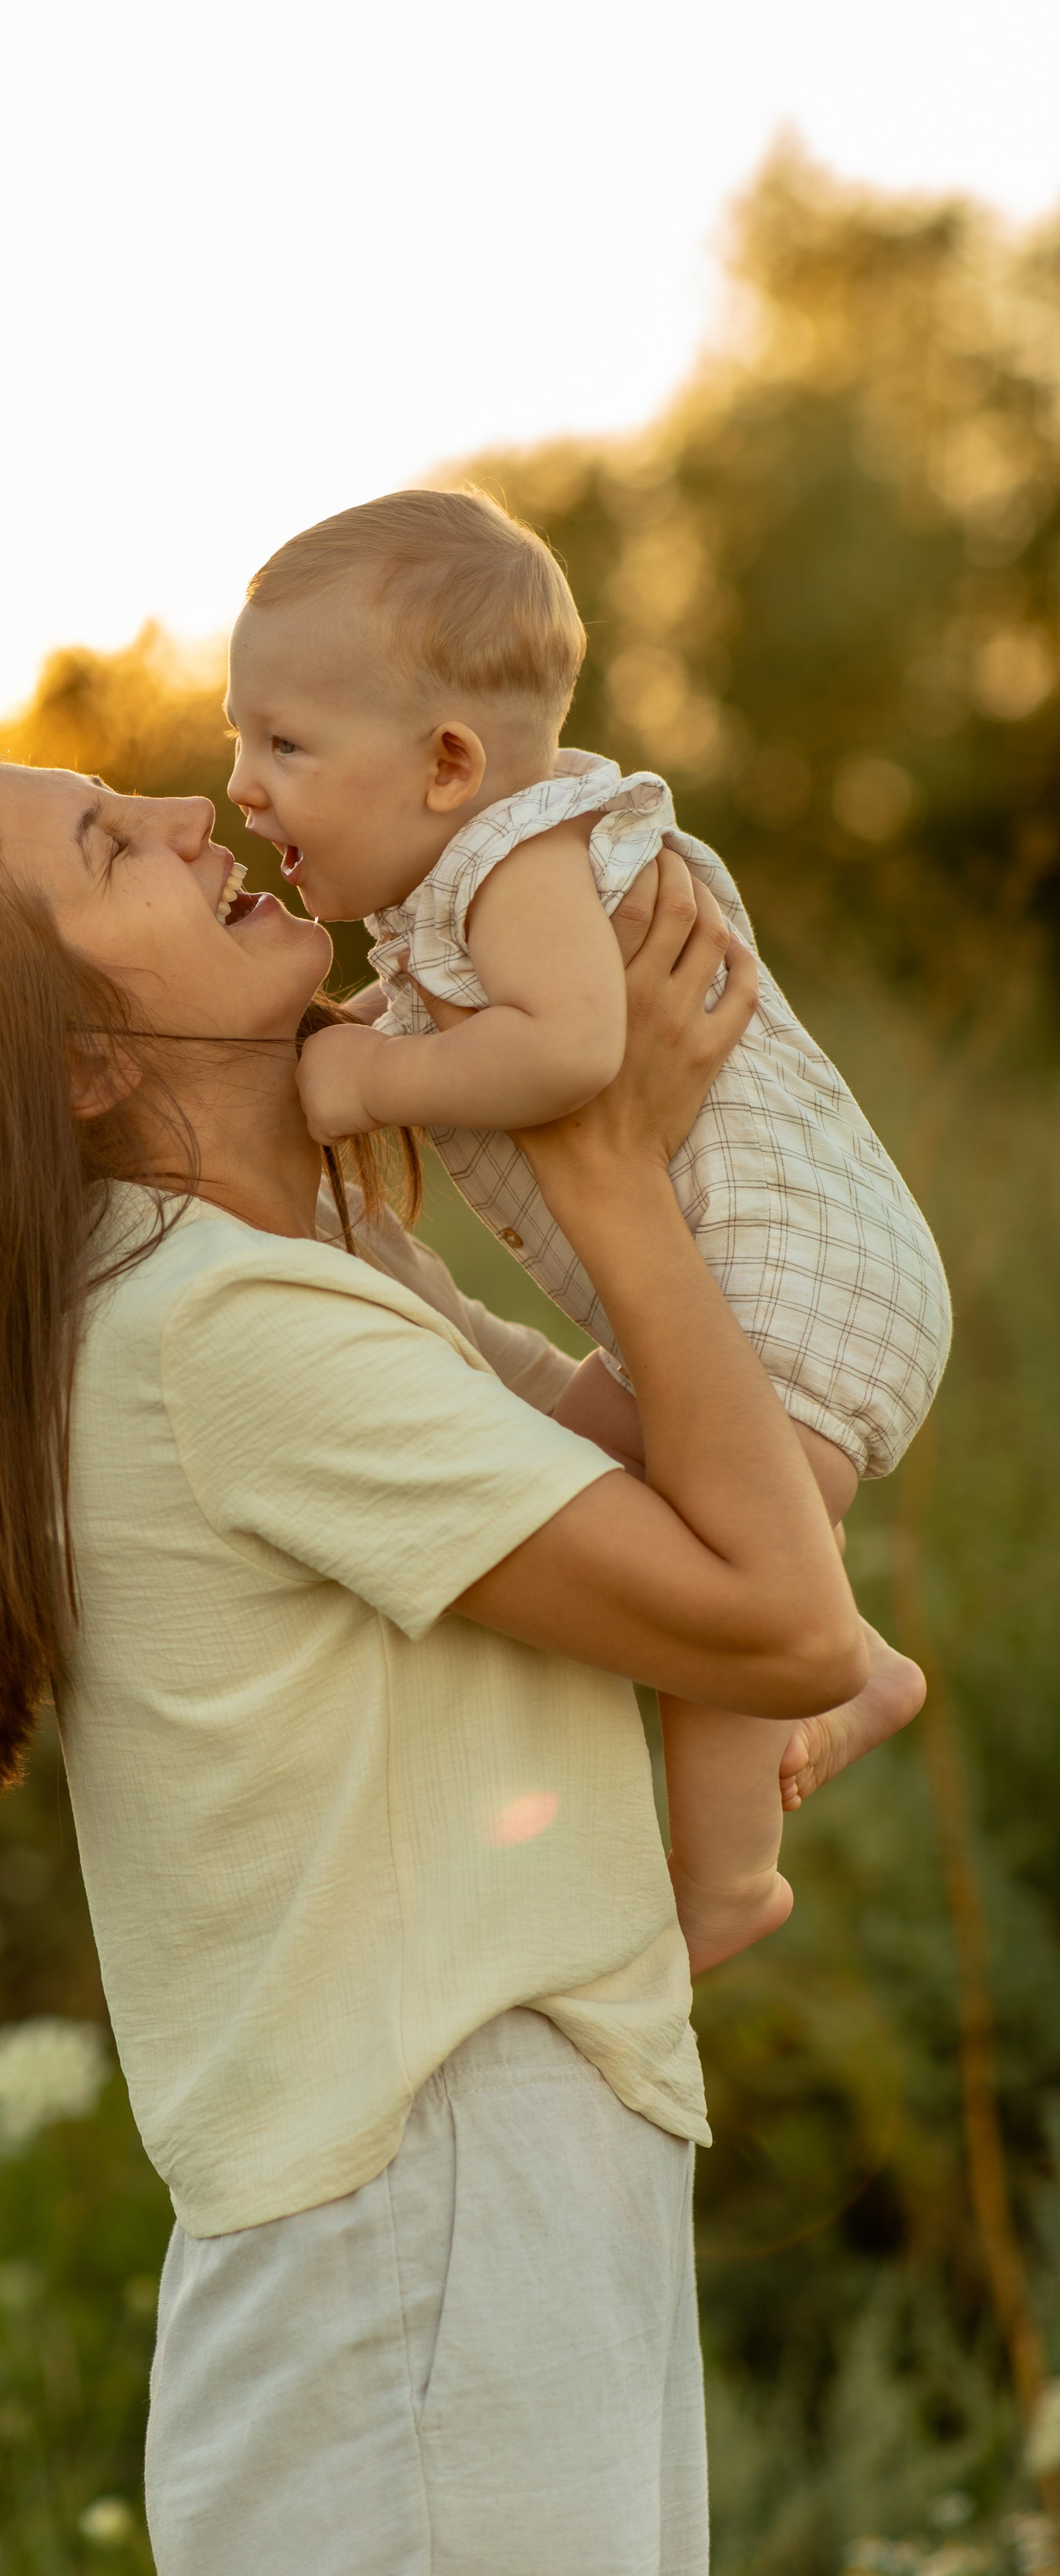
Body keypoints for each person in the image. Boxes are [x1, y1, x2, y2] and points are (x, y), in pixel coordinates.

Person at [0, 746, 876, 2570]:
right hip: (422, 2230)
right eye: (114, 846)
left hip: (473, 2208)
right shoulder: (222, 1331)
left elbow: (659, 1464)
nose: (196, 815)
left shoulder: (305, 1271)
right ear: (82, 1057)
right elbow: (783, 1622)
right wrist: (611, 1171)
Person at [227, 486, 942, 1970]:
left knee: (708, 1575)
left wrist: (369, 1074)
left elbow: (563, 1054)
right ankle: (857, 1670)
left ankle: (726, 1879)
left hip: (792, 1283)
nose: (241, 785)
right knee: (596, 1489)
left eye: (282, 745)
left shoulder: (517, 865)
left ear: (445, 764)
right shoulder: (462, 888)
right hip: (749, 1278)